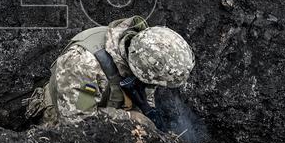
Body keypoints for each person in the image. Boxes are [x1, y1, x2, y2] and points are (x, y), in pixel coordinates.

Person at [26, 16, 194, 127]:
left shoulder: (142, 53)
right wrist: (131, 118)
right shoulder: (84, 64)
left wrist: (146, 111)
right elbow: (77, 120)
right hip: (61, 122)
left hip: (106, 108)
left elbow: (146, 92)